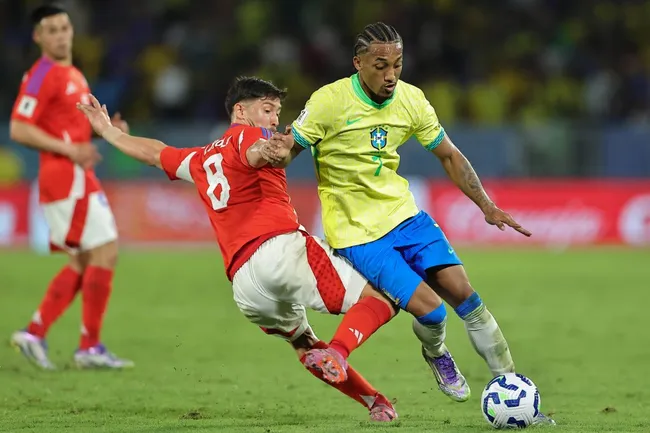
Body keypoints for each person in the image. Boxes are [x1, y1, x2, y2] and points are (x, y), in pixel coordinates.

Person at [267, 22, 554, 425]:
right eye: (381, 65)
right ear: (358, 63)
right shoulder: (329, 102)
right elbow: (287, 154)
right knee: (433, 313)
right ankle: (436, 353)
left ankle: (510, 386)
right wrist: (274, 149)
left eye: (398, 65)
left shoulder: (412, 100)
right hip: (358, 234)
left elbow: (450, 156)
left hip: (407, 217)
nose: (390, 75)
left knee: (466, 296)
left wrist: (486, 206)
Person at [76, 77, 399, 422]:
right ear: (241, 111)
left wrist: (108, 132)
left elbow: (155, 154)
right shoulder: (252, 135)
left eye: (277, 111)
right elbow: (253, 153)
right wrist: (267, 151)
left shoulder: (200, 158)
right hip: (279, 249)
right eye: (267, 109)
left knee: (305, 346)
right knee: (383, 297)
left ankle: (376, 402)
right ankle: (341, 350)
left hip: (246, 286)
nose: (275, 119)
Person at [9, 3, 132, 370]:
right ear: (38, 37)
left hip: (76, 177)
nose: (61, 35)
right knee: (104, 251)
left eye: (65, 27)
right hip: (65, 179)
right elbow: (18, 127)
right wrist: (68, 149)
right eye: (52, 30)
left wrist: (110, 131)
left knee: (84, 258)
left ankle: (35, 333)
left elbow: (75, 133)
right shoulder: (42, 74)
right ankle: (87, 347)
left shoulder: (73, 74)